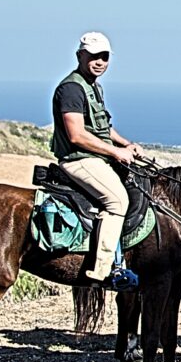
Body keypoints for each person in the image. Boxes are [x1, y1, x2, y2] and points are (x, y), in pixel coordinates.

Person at [51, 32, 142, 291]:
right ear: (80, 56)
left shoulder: (94, 86)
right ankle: (104, 271)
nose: (99, 61)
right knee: (117, 201)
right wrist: (115, 153)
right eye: (93, 56)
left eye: (104, 56)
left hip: (97, 156)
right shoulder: (71, 88)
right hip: (78, 160)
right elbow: (77, 135)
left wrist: (125, 144)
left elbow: (103, 127)